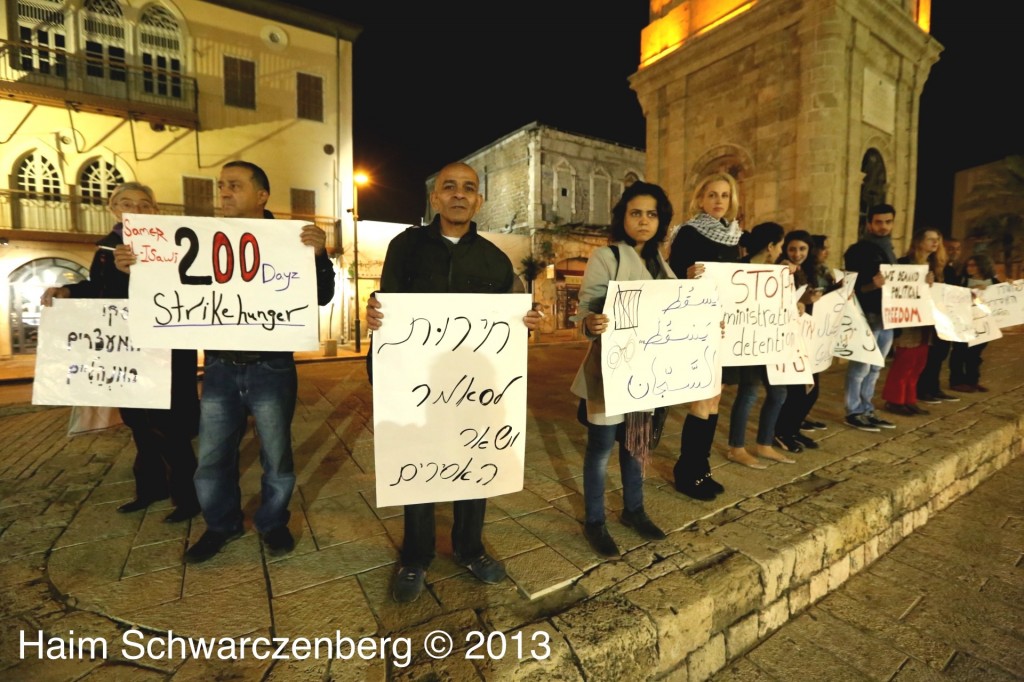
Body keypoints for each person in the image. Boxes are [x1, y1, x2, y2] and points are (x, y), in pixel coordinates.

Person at [365, 162, 540, 603]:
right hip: (416, 385)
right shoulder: (405, 247)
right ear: (435, 198)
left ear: (479, 200)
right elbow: (386, 306)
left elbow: (508, 325)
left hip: (474, 390)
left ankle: (469, 548)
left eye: (468, 188)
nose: (459, 194)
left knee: (475, 465)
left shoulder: (495, 260)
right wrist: (374, 314)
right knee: (419, 468)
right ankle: (415, 556)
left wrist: (526, 322)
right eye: (449, 187)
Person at [183, 161, 336, 563]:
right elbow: (178, 286)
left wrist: (320, 256)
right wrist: (139, 268)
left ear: (262, 195)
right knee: (213, 456)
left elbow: (320, 296)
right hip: (218, 366)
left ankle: (272, 522)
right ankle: (221, 524)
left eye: (234, 185)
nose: (224, 193)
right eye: (221, 186)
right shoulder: (206, 239)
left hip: (272, 367)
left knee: (277, 455)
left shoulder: (293, 240)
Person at [41, 183, 201, 523]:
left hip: (165, 354)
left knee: (170, 428)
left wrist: (134, 274)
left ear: (155, 212)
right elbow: (101, 292)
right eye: (127, 203)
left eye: (145, 204)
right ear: (114, 209)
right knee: (139, 425)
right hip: (127, 354)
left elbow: (176, 291)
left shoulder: (170, 246)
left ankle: (188, 498)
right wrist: (67, 290)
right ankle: (151, 488)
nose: (136, 210)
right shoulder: (105, 248)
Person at [570, 181, 673, 557]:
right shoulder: (607, 257)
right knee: (600, 449)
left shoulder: (662, 263)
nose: (644, 221)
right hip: (610, 373)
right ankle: (595, 521)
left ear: (660, 220)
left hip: (648, 375)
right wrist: (591, 323)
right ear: (623, 218)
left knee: (637, 447)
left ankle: (634, 511)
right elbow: (584, 312)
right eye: (636, 213)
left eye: (651, 214)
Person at [667, 172, 742, 500]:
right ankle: (687, 471)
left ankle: (702, 467)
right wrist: (684, 275)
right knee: (701, 400)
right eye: (712, 194)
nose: (718, 201)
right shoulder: (688, 233)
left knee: (715, 400)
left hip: (727, 329)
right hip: (698, 327)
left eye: (724, 195)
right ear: (700, 198)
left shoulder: (736, 236)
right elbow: (670, 276)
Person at [724, 223, 795, 469]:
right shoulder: (738, 269)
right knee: (750, 391)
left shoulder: (778, 272)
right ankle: (737, 447)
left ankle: (764, 444)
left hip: (771, 342)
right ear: (770, 246)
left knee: (779, 392)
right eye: (781, 245)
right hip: (748, 341)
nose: (782, 251)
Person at [772, 229, 836, 452]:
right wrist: (801, 300)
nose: (797, 253)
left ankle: (793, 429)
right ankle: (781, 432)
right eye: (792, 249)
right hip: (790, 338)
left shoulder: (810, 271)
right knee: (797, 391)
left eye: (802, 249)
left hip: (809, 337)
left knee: (812, 391)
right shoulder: (780, 269)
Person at [841, 204, 898, 432]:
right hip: (867, 317)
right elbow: (850, 287)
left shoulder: (889, 250)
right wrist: (871, 285)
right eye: (878, 222)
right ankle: (853, 411)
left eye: (887, 222)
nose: (883, 227)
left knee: (875, 367)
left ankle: (867, 409)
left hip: (888, 318)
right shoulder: (857, 250)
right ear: (869, 224)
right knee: (860, 368)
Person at [881, 229, 944, 416]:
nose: (935, 243)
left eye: (937, 240)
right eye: (930, 239)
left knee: (919, 362)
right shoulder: (903, 264)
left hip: (926, 321)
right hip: (908, 320)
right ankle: (894, 400)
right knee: (905, 361)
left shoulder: (934, 265)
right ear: (919, 241)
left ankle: (909, 399)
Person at [916, 235, 962, 404]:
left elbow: (956, 290)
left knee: (941, 353)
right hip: (928, 316)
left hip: (944, 316)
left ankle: (934, 388)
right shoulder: (920, 265)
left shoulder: (947, 269)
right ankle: (922, 389)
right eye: (930, 239)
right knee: (929, 354)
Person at [949, 254, 998, 393]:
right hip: (963, 322)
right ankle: (956, 381)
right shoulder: (961, 280)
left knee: (975, 355)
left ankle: (972, 381)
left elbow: (1003, 297)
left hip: (983, 324)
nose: (969, 268)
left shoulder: (994, 281)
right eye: (968, 265)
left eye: (973, 265)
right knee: (959, 352)